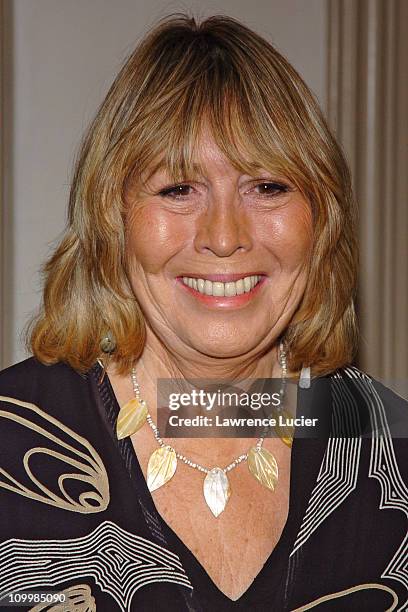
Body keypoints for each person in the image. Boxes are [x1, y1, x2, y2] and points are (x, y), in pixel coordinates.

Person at [0, 13, 406, 612]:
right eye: (178, 189)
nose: (224, 236)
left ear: (322, 219)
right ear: (114, 218)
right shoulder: (12, 449)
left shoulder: (390, 449)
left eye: (267, 186)